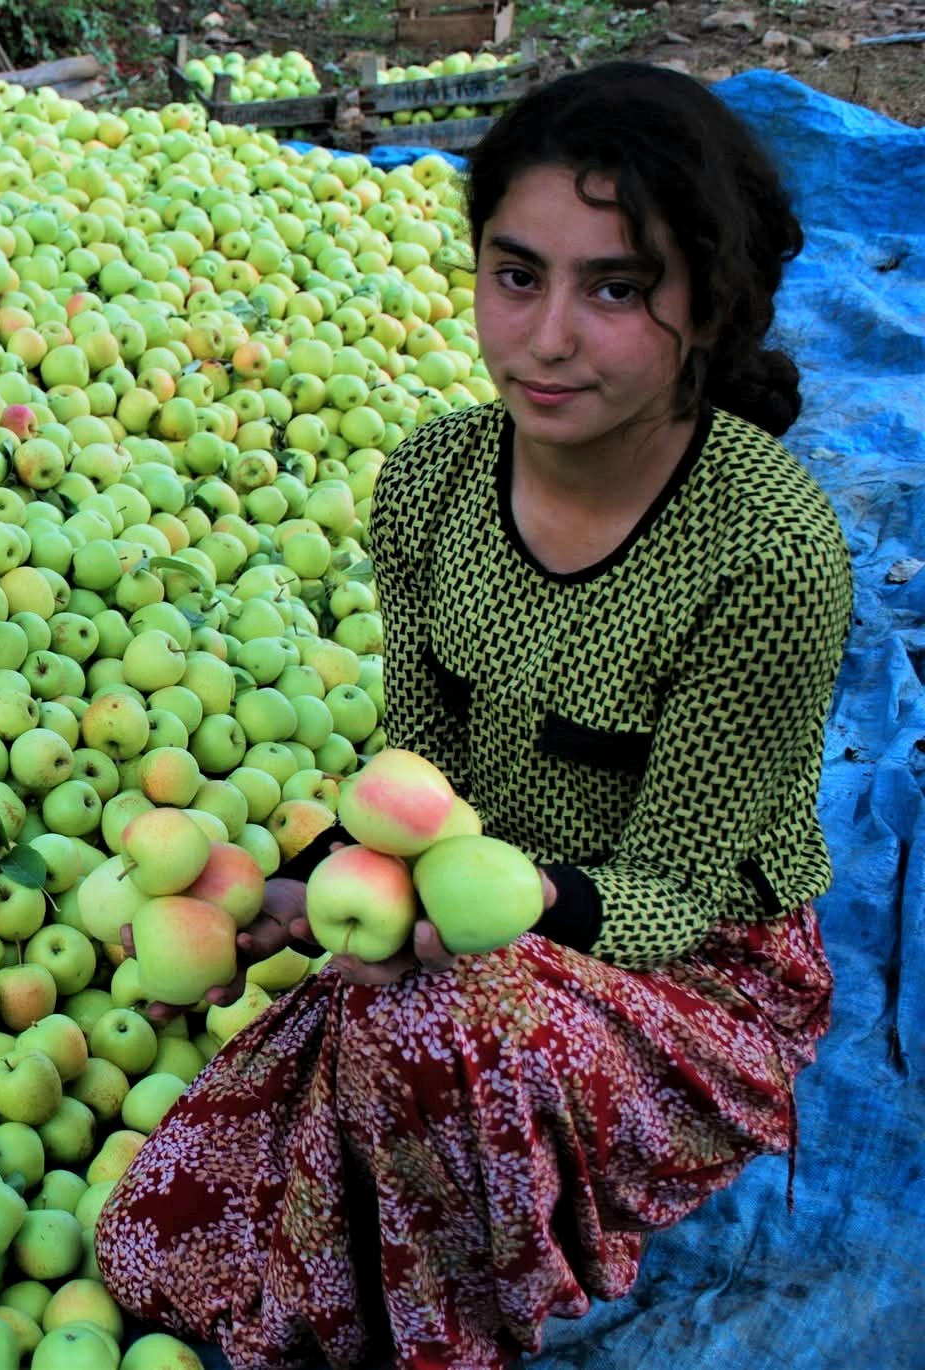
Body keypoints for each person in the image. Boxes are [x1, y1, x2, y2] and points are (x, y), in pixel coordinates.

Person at [93, 62, 853, 1370]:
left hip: (691, 963)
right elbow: (426, 763)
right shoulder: (436, 484)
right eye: (518, 274)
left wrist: (489, 919)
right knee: (158, 1235)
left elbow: (676, 885)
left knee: (427, 1024)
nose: (547, 335)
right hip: (471, 905)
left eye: (616, 287)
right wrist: (314, 880)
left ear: (710, 305)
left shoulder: (763, 548)